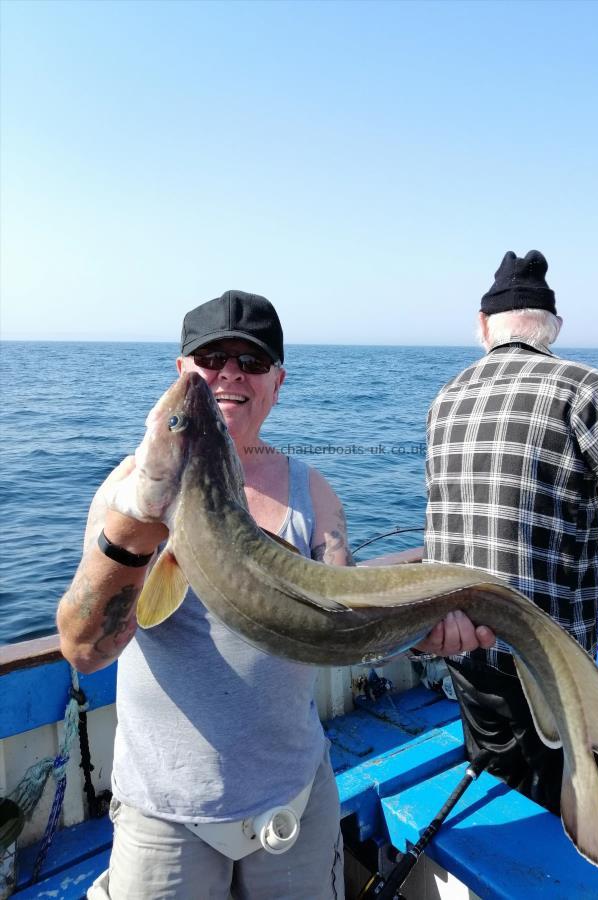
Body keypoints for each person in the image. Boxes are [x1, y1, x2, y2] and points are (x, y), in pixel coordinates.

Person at [57, 289, 495, 900]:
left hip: (294, 796)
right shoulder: (125, 494)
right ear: (180, 373)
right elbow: (84, 650)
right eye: (211, 359)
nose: (229, 373)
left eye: (252, 362)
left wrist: (425, 636)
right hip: (165, 808)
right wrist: (134, 530)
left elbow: (346, 628)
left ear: (277, 383)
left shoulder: (312, 494)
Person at [424, 250, 598, 813]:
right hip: (548, 663)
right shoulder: (581, 388)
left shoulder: (446, 398)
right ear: (553, 328)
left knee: (505, 781)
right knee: (560, 791)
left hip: (462, 650)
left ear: (483, 327)